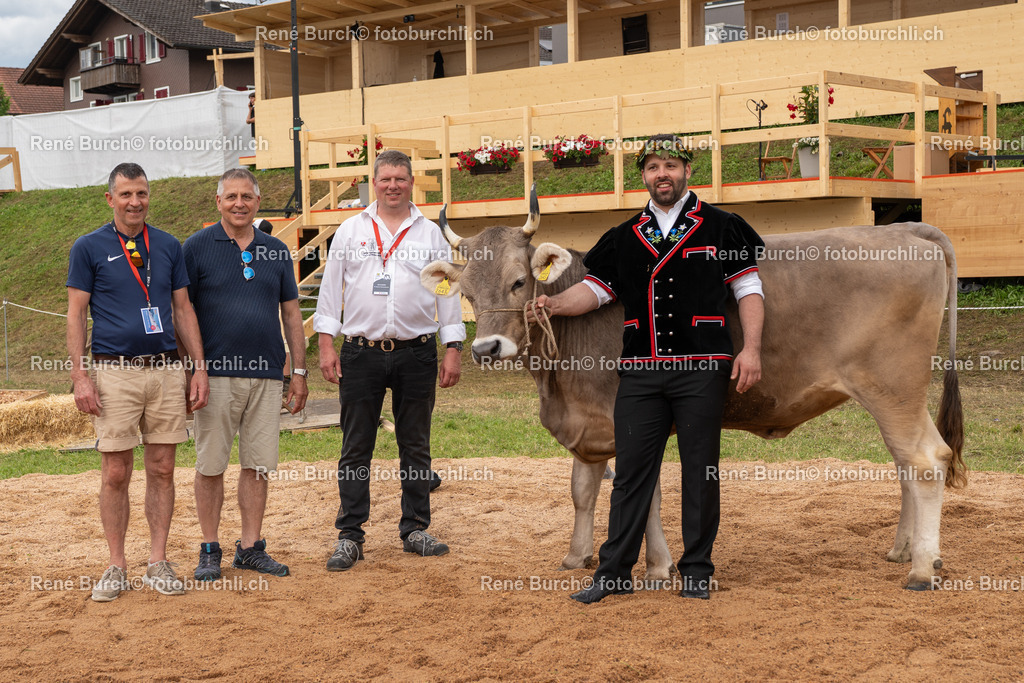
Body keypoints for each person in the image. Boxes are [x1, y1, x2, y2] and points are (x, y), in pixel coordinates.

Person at [532, 134, 766, 603]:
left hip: (702, 366)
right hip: (639, 370)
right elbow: (596, 291)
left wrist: (752, 350)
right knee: (631, 475)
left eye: (671, 165)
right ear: (643, 175)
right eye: (654, 167)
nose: (663, 174)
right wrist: (554, 303)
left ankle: (696, 571)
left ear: (687, 171)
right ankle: (614, 572)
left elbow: (748, 289)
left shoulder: (723, 227)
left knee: (700, 471)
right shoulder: (623, 237)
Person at [314, 149, 465, 571]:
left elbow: (447, 293)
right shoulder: (350, 230)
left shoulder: (430, 235)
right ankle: (350, 535)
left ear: (411, 182)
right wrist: (326, 344)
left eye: (400, 178)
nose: (393, 186)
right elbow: (330, 291)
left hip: (417, 352)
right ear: (374, 183)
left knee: (415, 445)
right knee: (355, 446)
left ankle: (415, 529)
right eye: (385, 179)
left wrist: (453, 348)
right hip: (360, 352)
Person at [67, 162, 210, 602]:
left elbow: (183, 309)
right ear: (110, 198)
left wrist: (198, 368)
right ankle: (116, 565)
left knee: (163, 468)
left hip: (166, 370)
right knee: (115, 471)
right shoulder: (88, 247)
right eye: (126, 194)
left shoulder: (168, 245)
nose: (135, 202)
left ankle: (157, 561)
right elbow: (76, 313)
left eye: (142, 193)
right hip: (114, 372)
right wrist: (80, 375)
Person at [183, 168, 309, 581]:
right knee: (211, 465)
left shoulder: (276, 250)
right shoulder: (196, 248)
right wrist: (192, 369)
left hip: (268, 375)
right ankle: (210, 548)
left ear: (257, 202)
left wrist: (298, 371)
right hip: (215, 375)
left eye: (247, 197)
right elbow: (181, 312)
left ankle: (251, 548)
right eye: (232, 196)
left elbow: (292, 314)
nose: (239, 203)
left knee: (258, 465)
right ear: (218, 201)